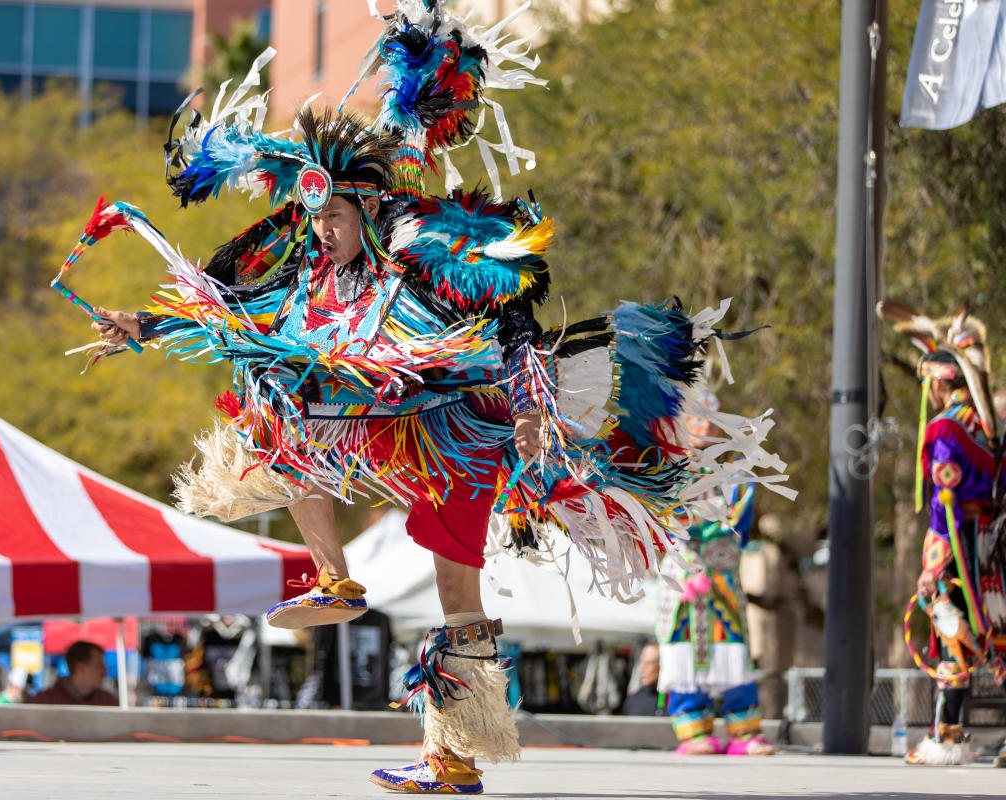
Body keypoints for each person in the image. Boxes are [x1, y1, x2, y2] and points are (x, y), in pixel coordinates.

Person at [79, 2, 790, 791]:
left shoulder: (425, 242)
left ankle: (452, 757)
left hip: (460, 424)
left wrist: (527, 407)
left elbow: (515, 313)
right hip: (372, 412)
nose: (322, 229)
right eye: (315, 215)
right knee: (266, 389)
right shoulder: (312, 265)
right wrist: (140, 323)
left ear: (372, 208)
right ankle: (332, 575)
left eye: (336, 216)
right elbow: (224, 297)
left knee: (457, 584)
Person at [881, 301, 1003, 766]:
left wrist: (932, 566)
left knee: (952, 631)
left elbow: (944, 502)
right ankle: (947, 733)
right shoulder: (987, 427)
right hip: (990, 545)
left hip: (959, 546)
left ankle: (947, 737)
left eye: (929, 382)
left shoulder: (947, 426)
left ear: (939, 380)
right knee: (989, 634)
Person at [655, 394, 772, 756]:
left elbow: (737, 520)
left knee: (733, 647)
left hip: (721, 577)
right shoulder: (666, 469)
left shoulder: (737, 473)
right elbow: (667, 520)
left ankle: (744, 728)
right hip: (684, 581)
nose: (704, 429)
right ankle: (693, 728)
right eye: (695, 420)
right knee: (683, 651)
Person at [27, 641, 117, 707]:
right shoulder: (45, 701)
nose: (105, 669)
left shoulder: (108, 701)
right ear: (80, 667)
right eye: (99, 665)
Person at [620, 642, 663, 716]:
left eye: (648, 663)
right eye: (642, 663)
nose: (642, 668)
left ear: (662, 664)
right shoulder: (633, 701)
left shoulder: (678, 703)